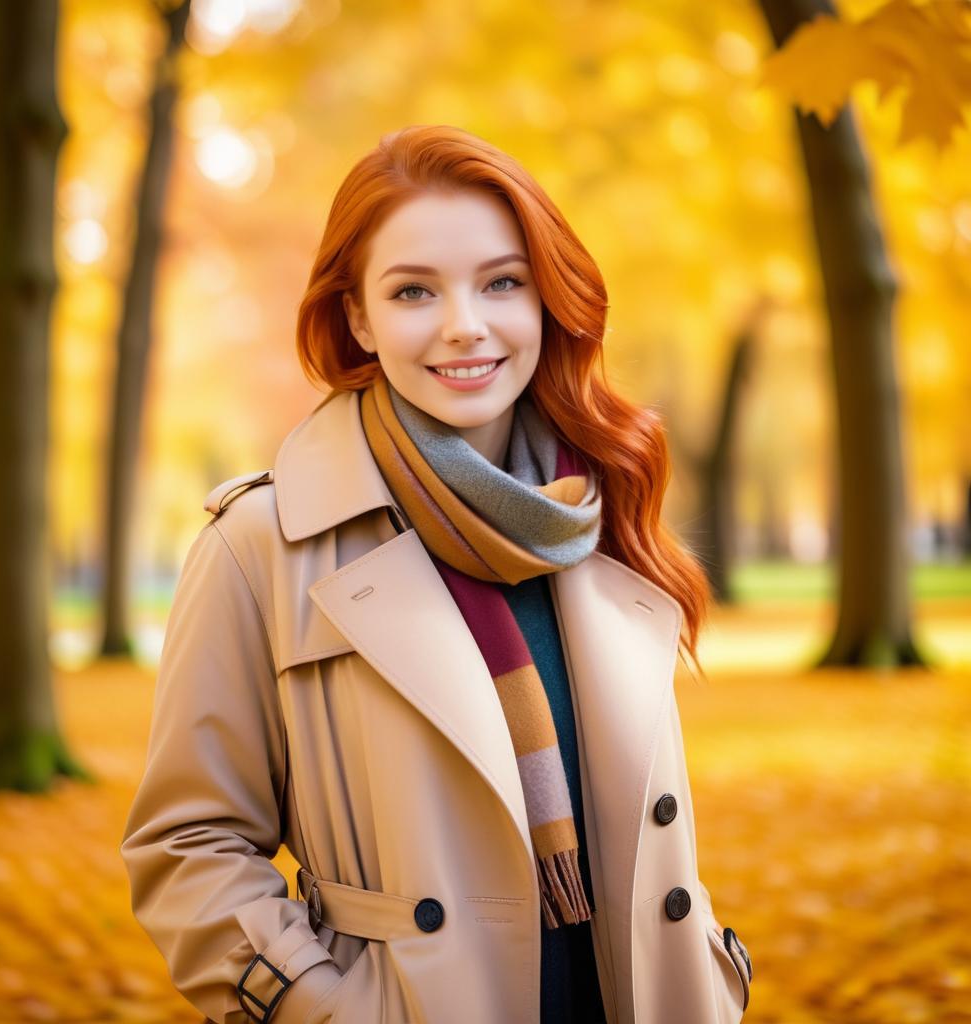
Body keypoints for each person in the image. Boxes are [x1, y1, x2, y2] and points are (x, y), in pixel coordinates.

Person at [120, 124, 753, 1024]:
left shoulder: (596, 516)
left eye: (503, 282)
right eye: (414, 290)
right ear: (359, 318)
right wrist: (321, 1007)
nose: (466, 324)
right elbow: (189, 845)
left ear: (546, 301)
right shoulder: (262, 544)